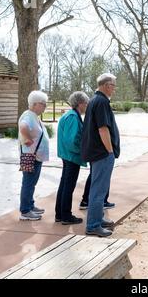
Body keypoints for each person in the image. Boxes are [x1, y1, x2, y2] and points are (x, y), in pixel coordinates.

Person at [81, 73, 120, 237]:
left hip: (97, 152)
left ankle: (98, 218)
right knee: (98, 190)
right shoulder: (102, 101)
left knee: (99, 189)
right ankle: (93, 225)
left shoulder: (94, 101)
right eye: (113, 85)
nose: (115, 89)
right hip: (102, 153)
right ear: (106, 85)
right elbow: (103, 129)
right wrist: (110, 150)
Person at [55, 91, 89, 225]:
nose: (87, 106)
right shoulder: (73, 117)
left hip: (67, 155)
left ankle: (60, 214)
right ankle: (66, 216)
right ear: (80, 103)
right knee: (68, 186)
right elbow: (72, 141)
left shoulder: (69, 115)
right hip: (71, 156)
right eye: (86, 103)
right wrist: (82, 151)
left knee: (64, 185)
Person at [18, 90, 50, 221]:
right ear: (35, 104)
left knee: (31, 182)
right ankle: (25, 210)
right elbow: (23, 126)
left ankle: (30, 205)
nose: (45, 107)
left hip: (35, 156)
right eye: (43, 104)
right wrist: (26, 138)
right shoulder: (28, 116)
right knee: (28, 183)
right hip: (31, 156)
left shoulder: (32, 115)